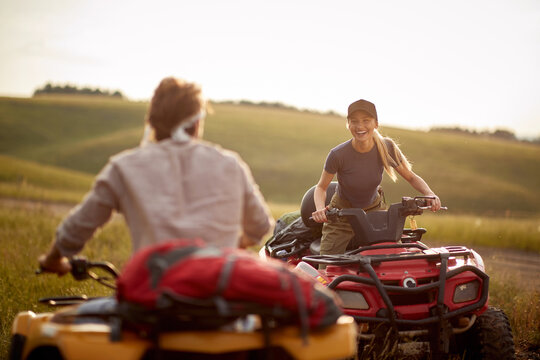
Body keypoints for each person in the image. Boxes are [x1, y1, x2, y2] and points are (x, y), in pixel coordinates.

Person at [39, 77, 274, 275]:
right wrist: (232, 244)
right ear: (197, 122)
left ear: (152, 122)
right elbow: (261, 225)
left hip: (151, 303)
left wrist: (52, 260)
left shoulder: (124, 166)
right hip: (222, 303)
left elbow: (78, 227)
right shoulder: (230, 164)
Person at [311, 99, 441, 257]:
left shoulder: (386, 148)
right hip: (341, 215)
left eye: (366, 121)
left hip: (374, 212)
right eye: (354, 121)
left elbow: (411, 177)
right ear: (348, 125)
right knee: (326, 266)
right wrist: (319, 209)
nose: (360, 126)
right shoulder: (338, 154)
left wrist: (429, 194)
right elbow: (321, 188)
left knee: (392, 258)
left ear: (376, 124)